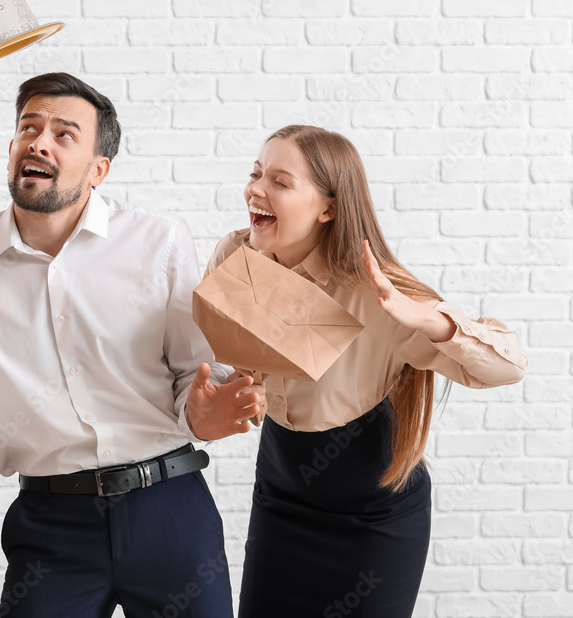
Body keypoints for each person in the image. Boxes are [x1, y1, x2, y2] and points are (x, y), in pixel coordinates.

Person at [0, 72, 263, 617]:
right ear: (12, 149)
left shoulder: (159, 243)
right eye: (28, 128)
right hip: (52, 524)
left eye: (64, 134)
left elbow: (195, 375)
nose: (39, 142)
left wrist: (202, 413)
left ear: (99, 169)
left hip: (170, 508)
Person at [202, 125, 527, 617]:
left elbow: (508, 368)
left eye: (280, 182)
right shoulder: (236, 257)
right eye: (255, 174)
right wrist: (234, 394)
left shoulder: (375, 292)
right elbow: (239, 360)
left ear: (328, 207)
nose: (256, 189)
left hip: (374, 519)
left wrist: (430, 319)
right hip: (282, 497)